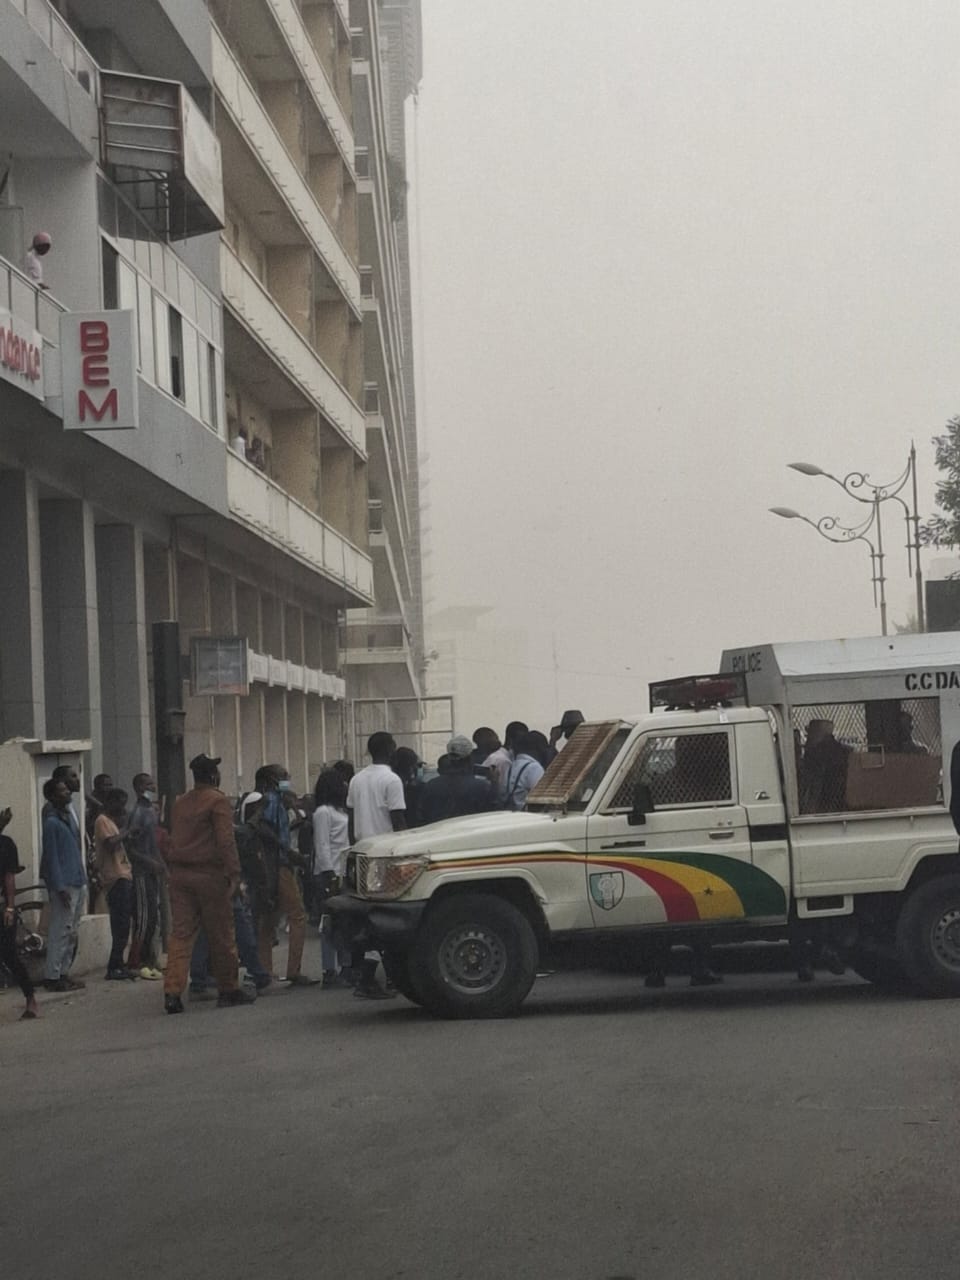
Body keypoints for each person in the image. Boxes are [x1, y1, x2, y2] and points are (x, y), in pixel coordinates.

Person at [162, 754, 254, 1014]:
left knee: (181, 935)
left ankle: (172, 992)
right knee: (222, 934)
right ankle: (228, 989)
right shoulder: (217, 800)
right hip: (209, 876)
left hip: (180, 875)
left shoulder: (180, 803)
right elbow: (226, 841)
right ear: (213, 776)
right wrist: (235, 873)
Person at [347, 732, 407, 999]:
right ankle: (373, 978)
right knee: (391, 918)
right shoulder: (392, 779)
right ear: (390, 749)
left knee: (371, 918)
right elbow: (398, 819)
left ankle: (379, 977)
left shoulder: (357, 779)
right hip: (387, 854)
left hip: (362, 853)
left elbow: (351, 817)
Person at [254, 765, 314, 986]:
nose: (287, 779)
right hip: (280, 863)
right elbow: (263, 827)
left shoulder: (278, 801)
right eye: (283, 776)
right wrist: (286, 850)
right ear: (272, 779)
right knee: (297, 914)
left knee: (269, 918)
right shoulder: (271, 800)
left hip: (273, 864)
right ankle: (293, 970)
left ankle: (265, 971)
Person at [40, 778, 87, 993]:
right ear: (51, 796)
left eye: (66, 789)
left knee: (72, 931)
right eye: (62, 790)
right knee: (60, 930)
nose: (67, 792)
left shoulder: (67, 818)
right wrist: (59, 886)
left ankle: (63, 972)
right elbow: (51, 858)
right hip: (65, 884)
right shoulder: (51, 823)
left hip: (77, 880)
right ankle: (53, 975)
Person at [312, 770, 351, 985]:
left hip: (343, 871)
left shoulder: (341, 811)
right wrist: (328, 873)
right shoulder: (323, 812)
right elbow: (322, 844)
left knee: (343, 923)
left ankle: (345, 966)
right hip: (330, 873)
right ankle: (329, 970)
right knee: (329, 923)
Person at [0, 807, 39, 1020]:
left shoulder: (5, 844)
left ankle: (30, 997)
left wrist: (10, 907)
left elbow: (9, 877)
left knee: (9, 954)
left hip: (1, 906)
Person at [125, 772, 165, 980]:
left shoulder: (152, 811)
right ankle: (135, 961)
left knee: (153, 918)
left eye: (152, 782)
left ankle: (150, 959)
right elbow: (130, 848)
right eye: (148, 784)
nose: (153, 786)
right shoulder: (137, 812)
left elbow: (153, 843)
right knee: (142, 919)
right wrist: (150, 862)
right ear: (139, 788)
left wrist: (161, 864)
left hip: (153, 871)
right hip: (140, 872)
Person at [94, 788, 136, 981]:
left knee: (124, 923)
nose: (122, 807)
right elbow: (110, 844)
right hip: (115, 877)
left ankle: (119, 964)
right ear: (110, 802)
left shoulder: (112, 822)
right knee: (119, 924)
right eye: (119, 802)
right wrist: (127, 832)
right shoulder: (102, 821)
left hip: (124, 874)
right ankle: (114, 966)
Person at [420, 735, 498, 825]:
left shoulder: (430, 785)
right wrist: (495, 783)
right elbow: (493, 814)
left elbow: (422, 816)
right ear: (470, 758)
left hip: (439, 835)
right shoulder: (483, 787)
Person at [800, 719, 850, 814]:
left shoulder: (816, 752)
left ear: (818, 733)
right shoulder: (843, 750)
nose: (808, 738)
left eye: (810, 733)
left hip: (825, 795)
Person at [484, 721, 528, 801]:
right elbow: (503, 792)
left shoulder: (496, 755)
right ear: (511, 740)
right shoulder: (504, 761)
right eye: (521, 740)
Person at [503, 732, 546, 811]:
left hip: (511, 814)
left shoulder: (510, 767)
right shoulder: (534, 768)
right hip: (529, 816)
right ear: (539, 747)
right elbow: (539, 798)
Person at [392, 746, 424, 827]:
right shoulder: (416, 790)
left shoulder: (391, 783)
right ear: (410, 767)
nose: (419, 769)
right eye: (419, 765)